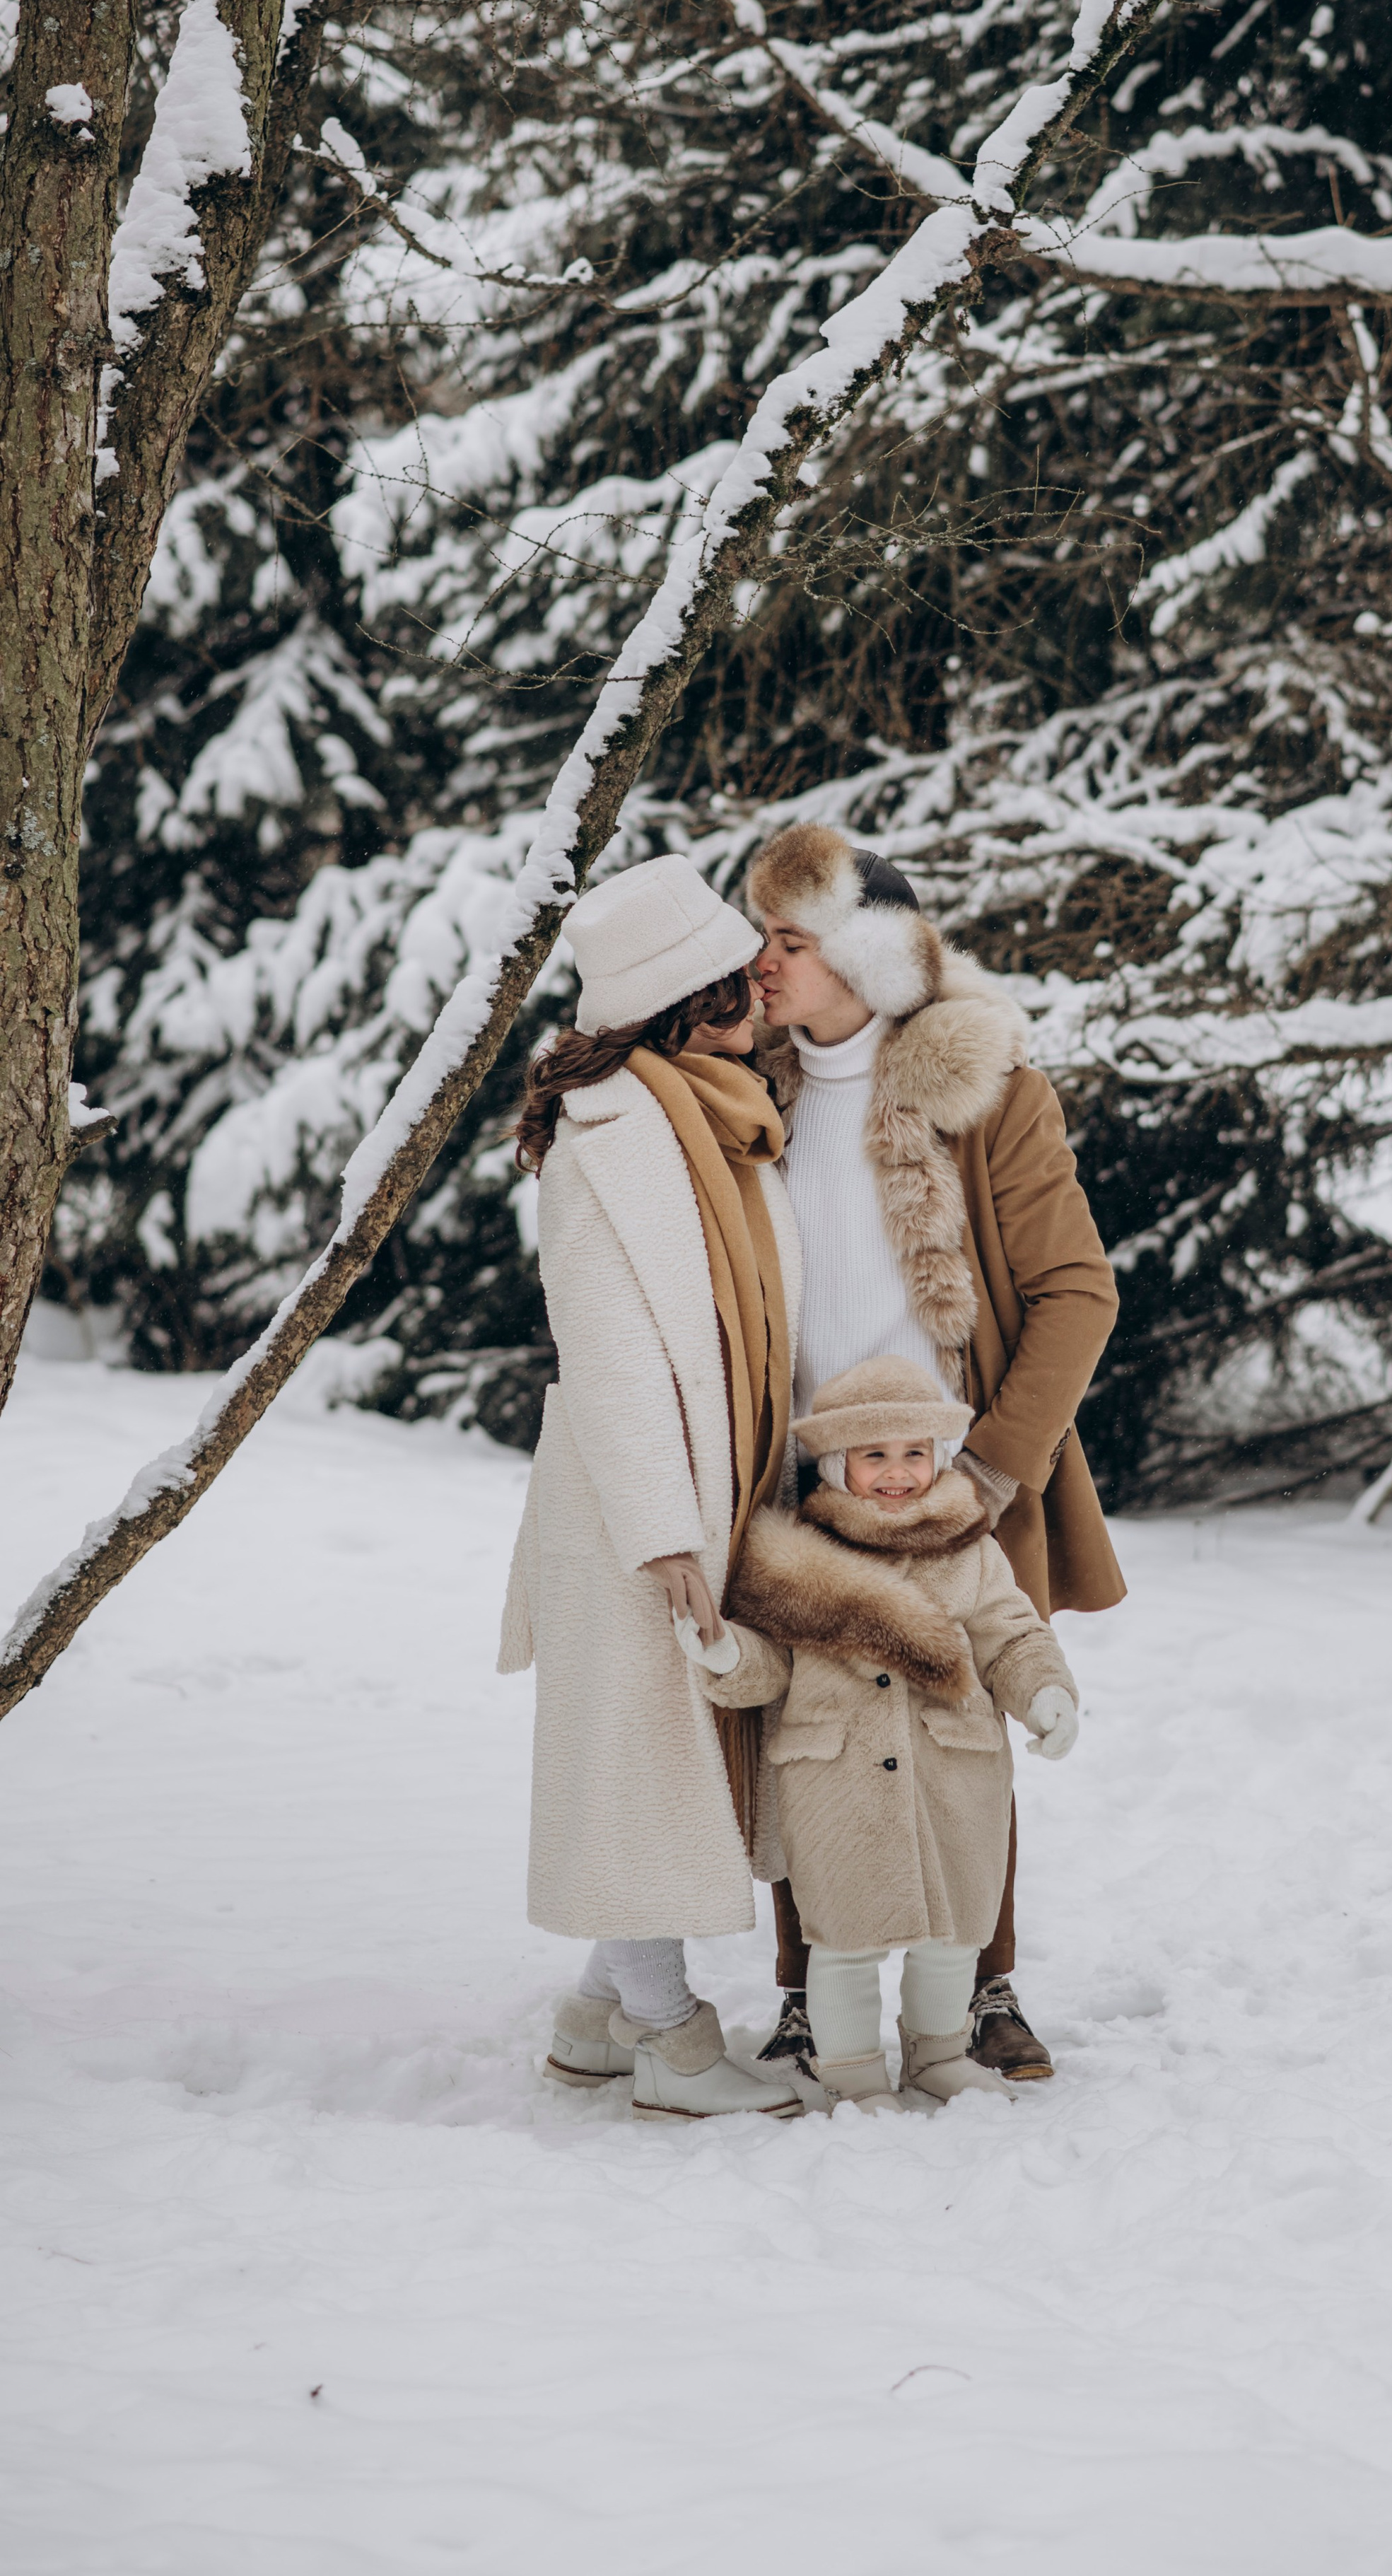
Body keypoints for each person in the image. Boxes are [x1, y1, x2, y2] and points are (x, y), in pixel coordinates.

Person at [745, 826, 1125, 2080]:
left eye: (789, 942)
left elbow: (1077, 1290)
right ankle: (811, 1996)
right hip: (805, 1483)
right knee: (817, 1732)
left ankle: (988, 1984)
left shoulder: (987, 1088)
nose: (762, 964)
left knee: (965, 1725)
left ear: (865, 958)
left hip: (959, 1469)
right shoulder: (748, 1090)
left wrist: (998, 1470)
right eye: (759, 937)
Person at [497, 854, 805, 2123]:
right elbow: (610, 1348)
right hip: (636, 1502)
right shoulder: (609, 1138)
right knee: (640, 1767)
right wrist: (665, 1533)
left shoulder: (726, 1117)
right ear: (680, 1010)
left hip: (716, 1480)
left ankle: (594, 2022)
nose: (760, 1008)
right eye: (734, 994)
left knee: (661, 1763)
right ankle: (673, 2042)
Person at [685, 1358, 1081, 2111]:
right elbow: (768, 1667)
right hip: (837, 1781)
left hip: (953, 1770)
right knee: (842, 1941)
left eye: (912, 1453)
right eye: (873, 1456)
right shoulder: (796, 1561)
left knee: (951, 1936)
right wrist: (727, 1654)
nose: (896, 1473)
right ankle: (851, 2071)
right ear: (837, 1464)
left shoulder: (970, 1548)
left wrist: (1046, 1693)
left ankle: (936, 2055)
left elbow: (1011, 1637)